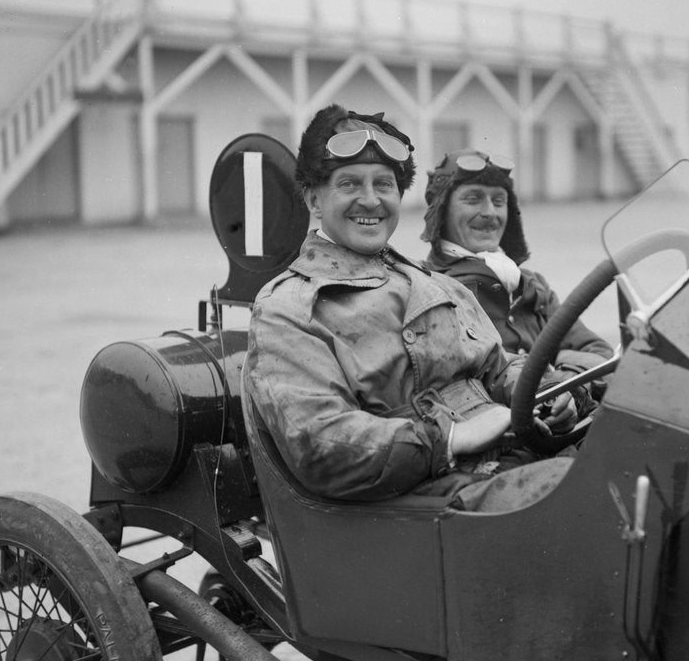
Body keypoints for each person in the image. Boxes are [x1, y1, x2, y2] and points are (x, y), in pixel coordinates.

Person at [243, 105, 583, 512]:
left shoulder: (438, 284)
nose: (371, 200)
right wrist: (451, 437)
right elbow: (321, 442)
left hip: (503, 467)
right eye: (350, 184)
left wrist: (548, 392)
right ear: (314, 200)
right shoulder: (289, 310)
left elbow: (497, 366)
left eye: (384, 184)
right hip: (423, 504)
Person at [421, 148, 615, 381]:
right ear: (441, 210)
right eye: (473, 199)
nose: (489, 212)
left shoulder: (532, 285)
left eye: (499, 201)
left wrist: (568, 379)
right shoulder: (431, 290)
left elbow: (599, 352)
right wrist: (563, 368)